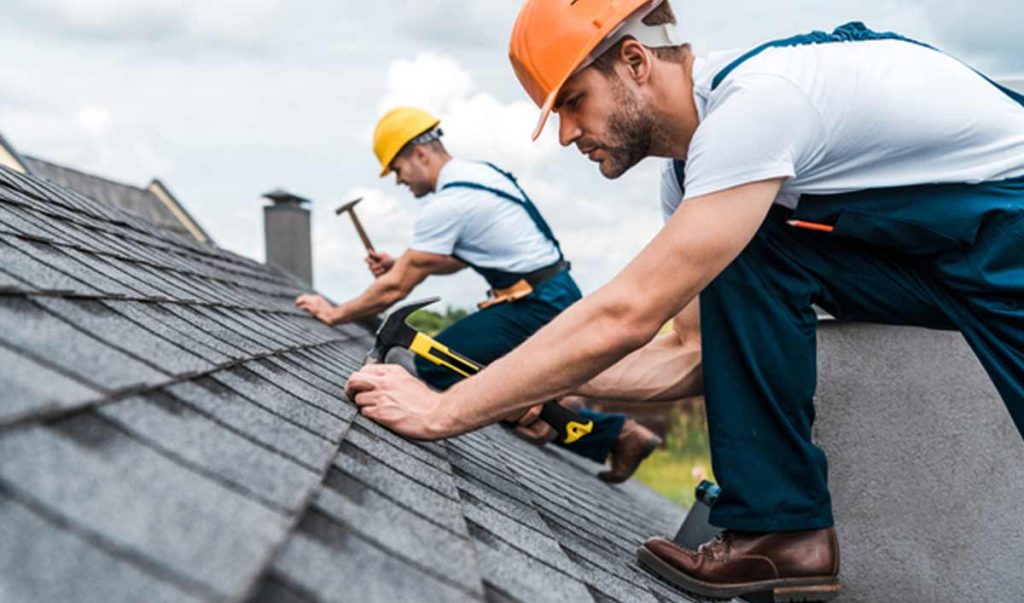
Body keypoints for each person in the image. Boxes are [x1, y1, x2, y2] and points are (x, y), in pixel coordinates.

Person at [344, 0, 1024, 600]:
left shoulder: (756, 106)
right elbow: (690, 354)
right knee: (750, 247)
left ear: (635, 61)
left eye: (573, 101)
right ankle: (782, 534)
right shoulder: (696, 178)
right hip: (936, 255)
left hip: (1008, 227)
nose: (565, 133)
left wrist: (445, 409)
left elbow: (628, 312)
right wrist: (520, 387)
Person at [295, 106, 660, 482]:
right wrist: (401, 263)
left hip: (534, 304)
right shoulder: (479, 176)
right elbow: (454, 260)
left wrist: (335, 313)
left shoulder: (449, 202)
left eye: (398, 170)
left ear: (419, 154)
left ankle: (576, 420)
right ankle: (575, 416)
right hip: (548, 293)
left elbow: (397, 287)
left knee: (437, 363)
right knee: (476, 365)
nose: (399, 181)